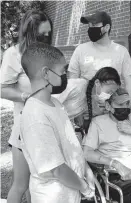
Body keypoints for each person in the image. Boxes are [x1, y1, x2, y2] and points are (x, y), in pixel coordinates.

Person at [20, 42, 95, 203]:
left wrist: (87, 170)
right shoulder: (35, 117)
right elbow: (56, 169)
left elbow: (71, 145)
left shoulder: (56, 104)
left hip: (69, 195)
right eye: (62, 71)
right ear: (46, 73)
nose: (65, 75)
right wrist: (84, 188)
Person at [0, 10, 52, 203]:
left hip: (47, 126)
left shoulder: (48, 53)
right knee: (21, 183)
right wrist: (25, 96)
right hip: (24, 127)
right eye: (41, 34)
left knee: (40, 182)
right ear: (29, 33)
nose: (46, 38)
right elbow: (2, 89)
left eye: (48, 34)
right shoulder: (13, 54)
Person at [68, 11, 131, 128]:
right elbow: (72, 82)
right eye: (89, 26)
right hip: (87, 113)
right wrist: (76, 112)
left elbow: (129, 83)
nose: (90, 29)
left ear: (107, 27)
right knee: (89, 144)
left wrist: (125, 110)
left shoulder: (121, 51)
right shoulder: (80, 50)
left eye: (94, 25)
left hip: (113, 112)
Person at [55, 67, 121, 138]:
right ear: (97, 83)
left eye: (112, 93)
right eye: (109, 92)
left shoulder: (93, 100)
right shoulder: (77, 85)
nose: (108, 96)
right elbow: (46, 102)